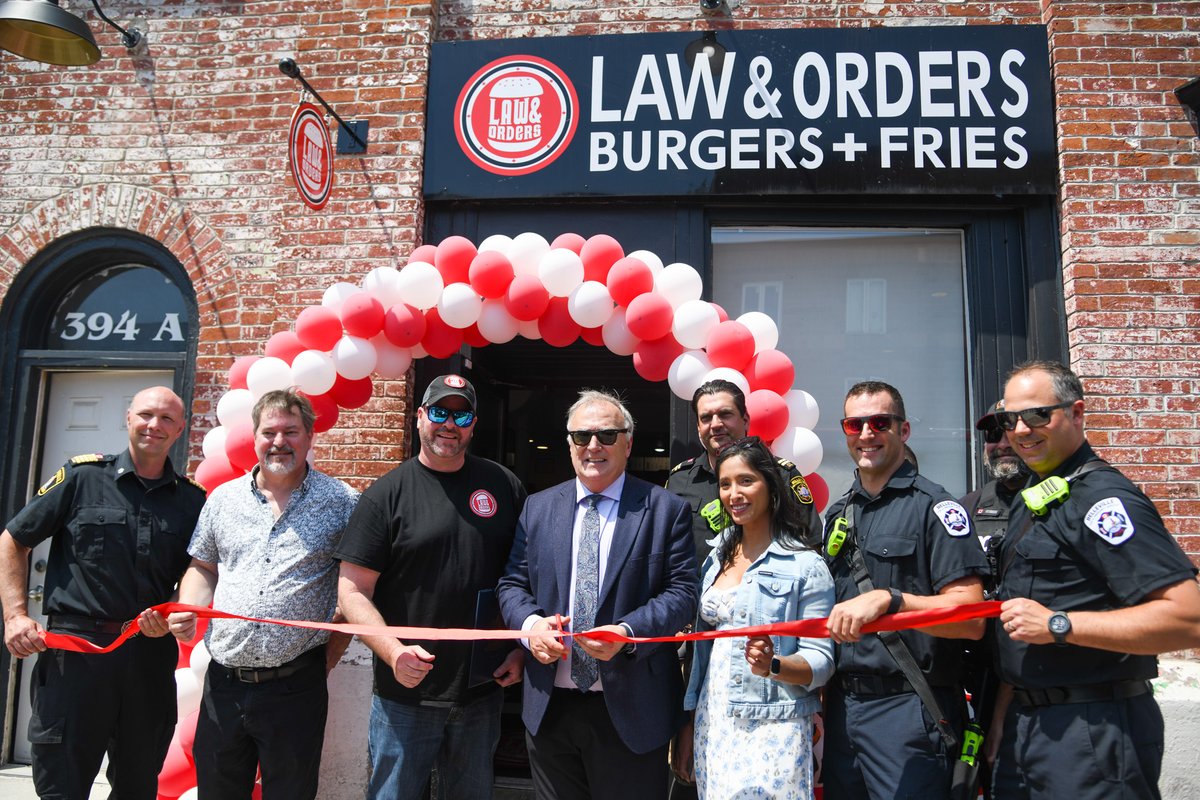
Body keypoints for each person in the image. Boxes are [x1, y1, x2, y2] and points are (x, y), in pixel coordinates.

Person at [992, 361, 1200, 799]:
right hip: (1027, 729)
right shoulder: (1035, 497)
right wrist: (1000, 723)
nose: (1021, 430)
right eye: (1010, 419)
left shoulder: (1104, 499)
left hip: (1094, 727)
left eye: (1037, 415)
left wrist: (1059, 625)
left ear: (1077, 413)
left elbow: (1187, 617)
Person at [0, 386, 204, 800]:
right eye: (146, 414)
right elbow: (13, 539)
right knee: (62, 784)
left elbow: (198, 571)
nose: (155, 425)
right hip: (76, 654)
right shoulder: (81, 477)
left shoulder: (192, 501)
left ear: (181, 428)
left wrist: (179, 612)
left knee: (137, 783)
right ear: (128, 417)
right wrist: (15, 616)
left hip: (148, 654)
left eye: (167, 419)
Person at [497, 389, 698, 800]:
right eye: (581, 436)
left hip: (632, 707)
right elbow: (512, 584)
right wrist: (531, 627)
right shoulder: (537, 508)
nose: (593, 446)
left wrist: (628, 631)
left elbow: (682, 593)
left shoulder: (665, 509)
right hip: (550, 706)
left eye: (607, 435)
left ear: (628, 442)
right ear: (568, 443)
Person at [336, 374, 527, 800]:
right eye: (439, 411)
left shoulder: (504, 486)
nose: (449, 424)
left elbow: (524, 576)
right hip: (405, 696)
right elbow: (351, 591)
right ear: (420, 417)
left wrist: (519, 647)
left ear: (474, 425)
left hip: (481, 691)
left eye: (461, 415)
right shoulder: (385, 496)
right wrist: (394, 652)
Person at [166, 388, 359, 799]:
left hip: (295, 686)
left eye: (291, 431)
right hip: (224, 682)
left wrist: (328, 657)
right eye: (269, 431)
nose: (278, 441)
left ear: (309, 437)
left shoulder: (343, 502)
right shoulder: (223, 500)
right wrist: (189, 607)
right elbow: (203, 565)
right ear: (254, 437)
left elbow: (355, 589)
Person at [821, 380, 990, 800]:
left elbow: (970, 619)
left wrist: (894, 600)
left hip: (909, 710)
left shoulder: (936, 507)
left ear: (904, 430)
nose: (865, 433)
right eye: (853, 424)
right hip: (843, 709)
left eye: (880, 422)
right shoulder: (839, 513)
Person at [673, 436, 835, 799]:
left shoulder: (806, 565)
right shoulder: (714, 559)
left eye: (746, 480)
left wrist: (773, 664)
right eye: (726, 484)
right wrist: (690, 716)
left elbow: (821, 662)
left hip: (775, 724)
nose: (734, 493)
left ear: (771, 486)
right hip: (713, 719)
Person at [666, 379, 820, 568]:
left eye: (725, 414)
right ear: (698, 426)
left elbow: (810, 545)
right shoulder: (679, 480)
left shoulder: (781, 475)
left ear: (745, 420)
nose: (715, 424)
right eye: (706, 418)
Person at [960, 400, 1031, 551]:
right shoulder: (966, 508)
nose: (1003, 445)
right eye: (994, 434)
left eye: (1012, 434)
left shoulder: (1062, 504)